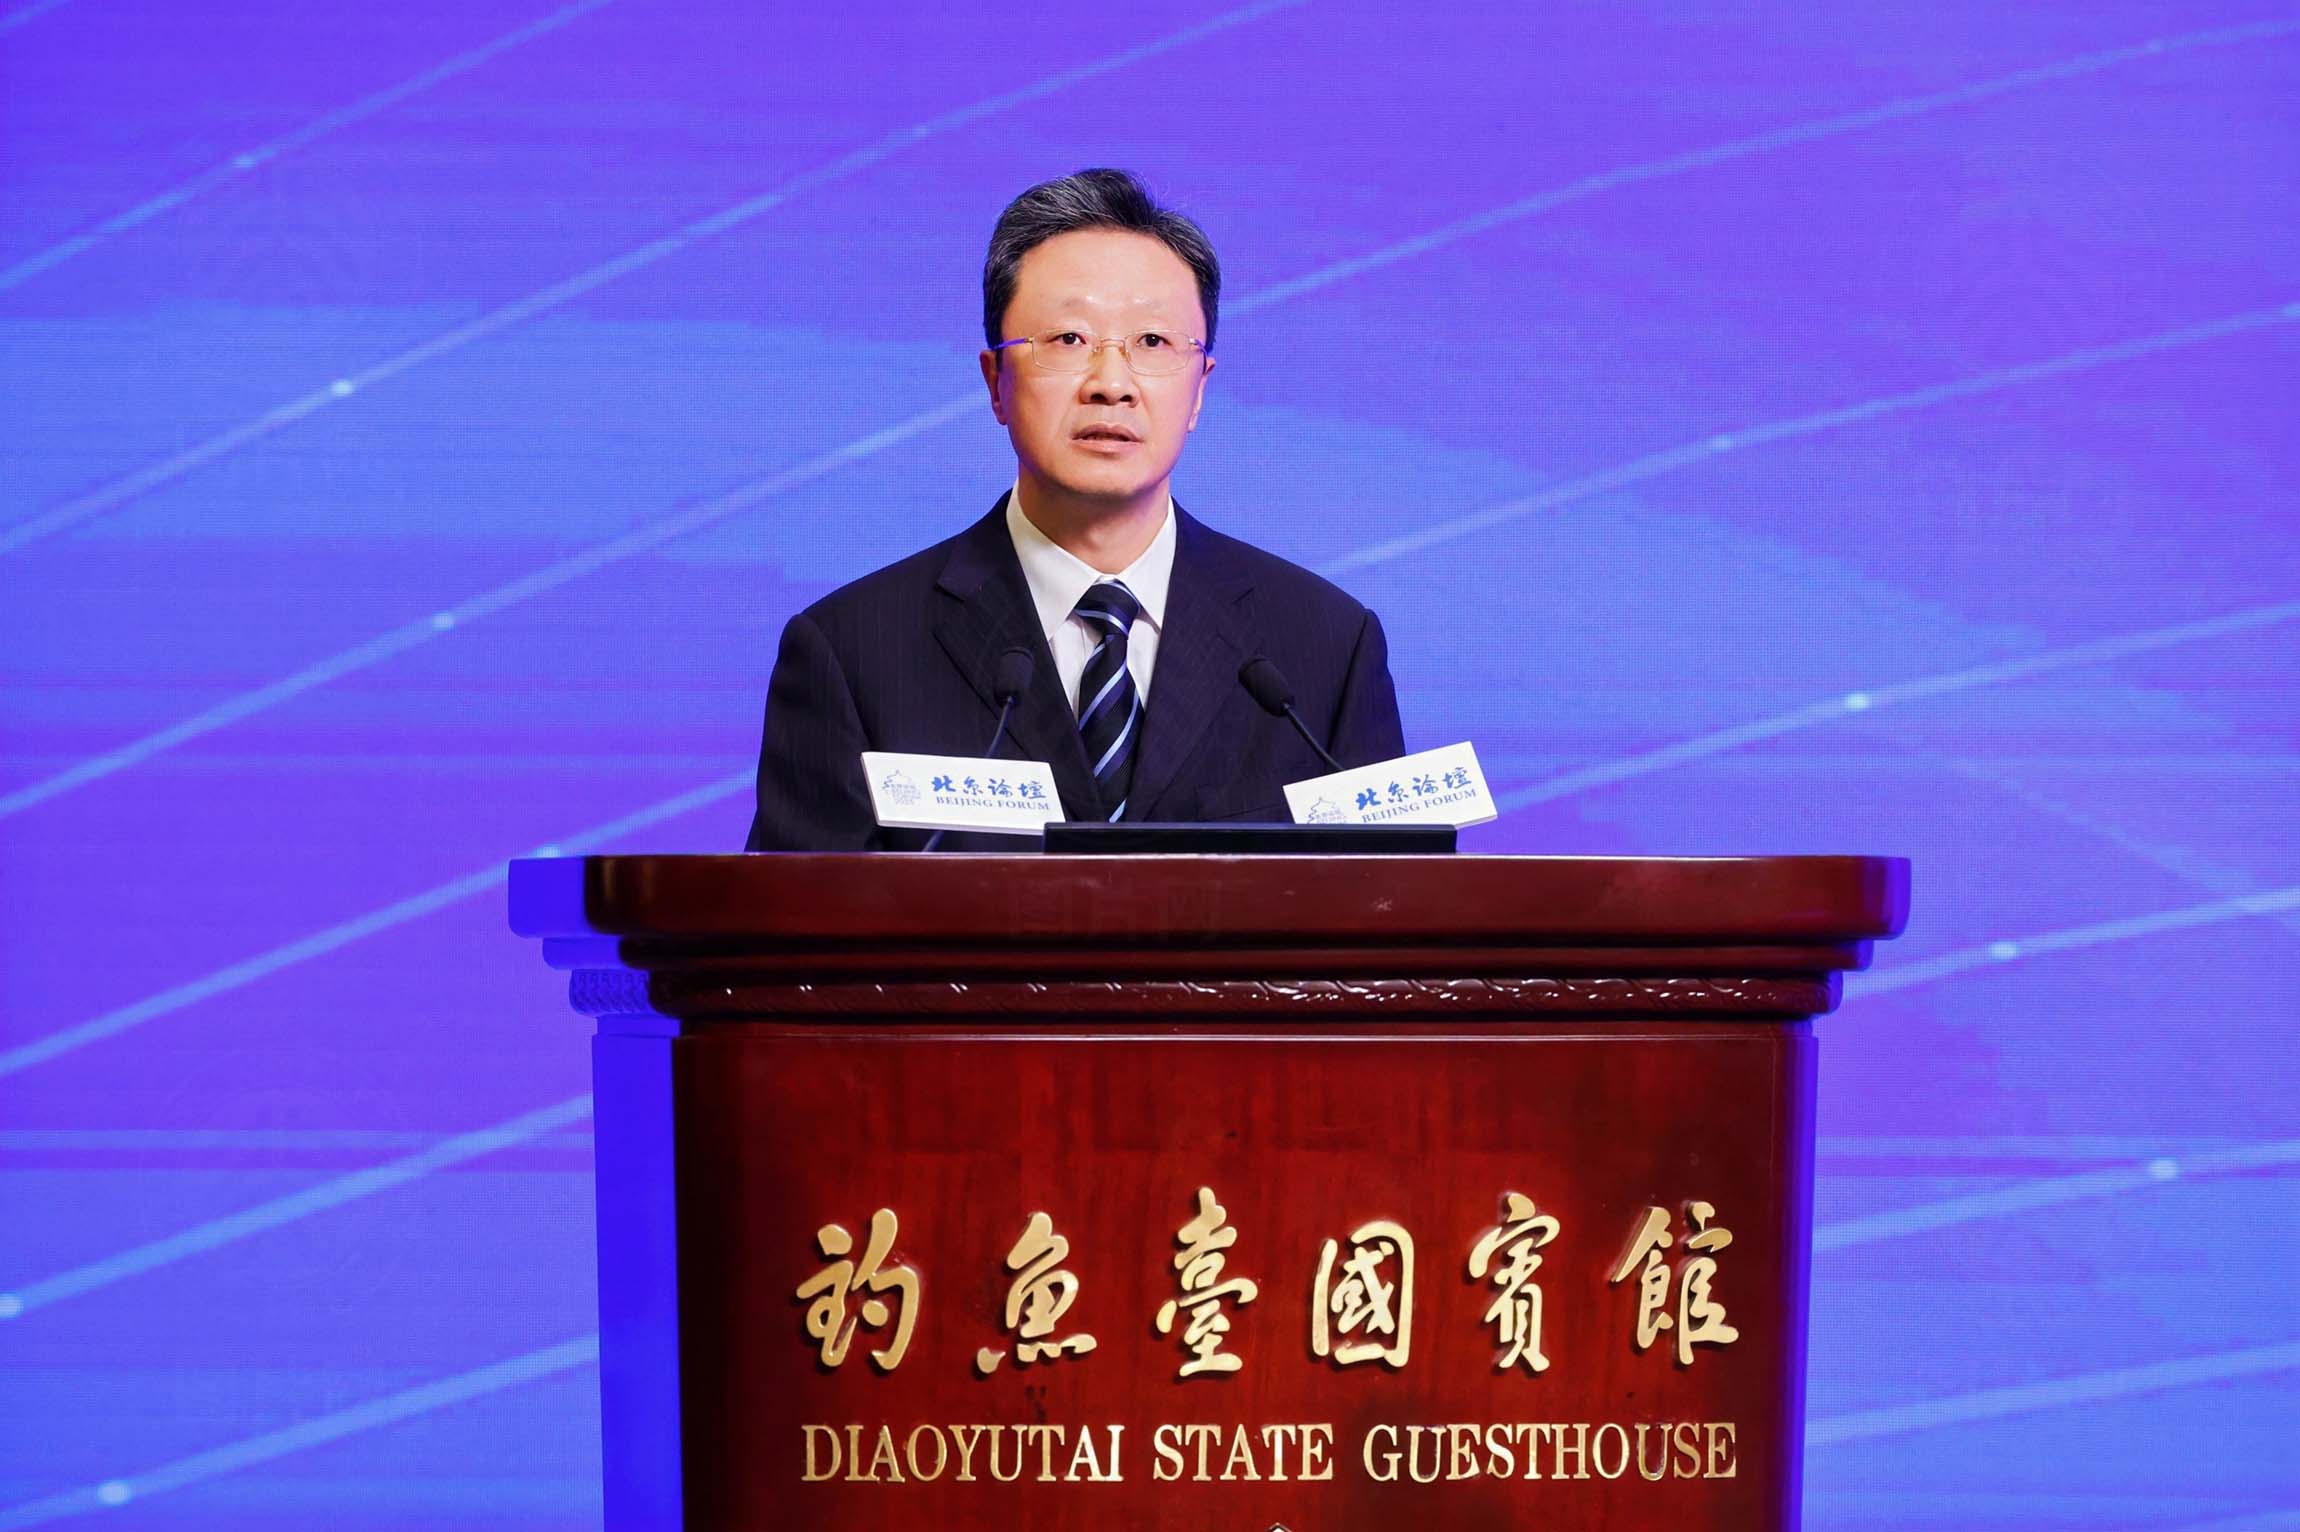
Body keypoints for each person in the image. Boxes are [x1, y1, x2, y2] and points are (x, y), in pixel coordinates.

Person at [745, 168, 1403, 851]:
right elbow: (798, 916)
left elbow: (1388, 903)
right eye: (1068, 341)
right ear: (996, 382)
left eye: (1152, 343)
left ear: (1200, 388)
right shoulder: (853, 652)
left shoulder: (1325, 648)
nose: (1111, 384)